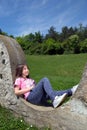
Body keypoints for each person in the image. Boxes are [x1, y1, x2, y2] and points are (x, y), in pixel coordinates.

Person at [14, 64, 78, 108]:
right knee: (44, 79)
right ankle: (54, 99)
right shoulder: (19, 79)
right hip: (31, 97)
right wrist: (29, 89)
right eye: (24, 69)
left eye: (27, 68)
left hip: (38, 98)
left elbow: (37, 90)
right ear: (20, 71)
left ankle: (72, 91)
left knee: (53, 92)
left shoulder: (30, 80)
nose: (27, 70)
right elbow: (16, 92)